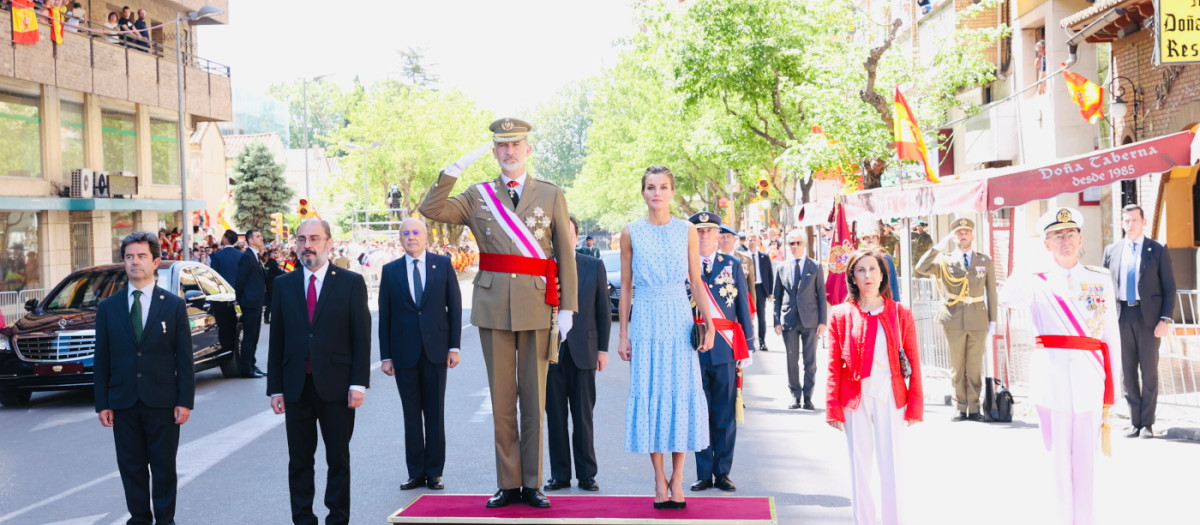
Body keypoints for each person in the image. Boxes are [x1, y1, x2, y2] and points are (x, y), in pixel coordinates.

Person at [420, 118, 578, 509]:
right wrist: (453, 170)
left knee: (533, 399)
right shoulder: (478, 196)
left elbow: (565, 254)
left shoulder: (550, 194)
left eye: (516, 144)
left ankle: (532, 483)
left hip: (538, 304)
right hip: (493, 308)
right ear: (494, 152)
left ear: (528, 149)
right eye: (501, 146)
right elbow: (431, 208)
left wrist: (568, 307)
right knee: (503, 400)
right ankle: (508, 484)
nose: (509, 152)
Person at [999, 207, 1121, 525]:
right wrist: (1027, 261)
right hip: (1050, 384)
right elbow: (1008, 298)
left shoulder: (1099, 279)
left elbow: (1111, 336)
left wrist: (1113, 390)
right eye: (1057, 236)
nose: (1065, 240)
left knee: (1086, 465)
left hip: (1089, 381)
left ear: (1080, 239)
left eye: (1070, 234)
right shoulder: (1036, 281)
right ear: (1047, 244)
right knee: (1054, 464)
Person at [617, 166, 714, 510]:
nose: (657, 193)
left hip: (677, 317)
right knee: (651, 393)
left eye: (663, 187)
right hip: (645, 317)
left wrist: (710, 322)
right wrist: (624, 334)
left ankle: (678, 478)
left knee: (680, 394)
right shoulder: (630, 233)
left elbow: (696, 281)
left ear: (672, 192)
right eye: (650, 187)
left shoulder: (687, 230)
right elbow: (626, 286)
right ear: (643, 192)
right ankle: (658, 480)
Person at [267, 219, 371, 525]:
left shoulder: (350, 282)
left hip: (337, 387)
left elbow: (361, 337)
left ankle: (337, 519)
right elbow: (278, 341)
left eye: (314, 238)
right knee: (299, 461)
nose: (307, 245)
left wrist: (358, 384)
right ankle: (303, 519)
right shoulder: (283, 285)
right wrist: (276, 388)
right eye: (301, 239)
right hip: (297, 387)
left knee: (337, 459)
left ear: (328, 242)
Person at [94, 231, 195, 525]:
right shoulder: (108, 308)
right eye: (129, 257)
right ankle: (139, 519)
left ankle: (165, 519)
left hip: (162, 401)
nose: (134, 262)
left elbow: (184, 359)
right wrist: (103, 403)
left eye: (141, 256)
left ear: (156, 261)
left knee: (164, 466)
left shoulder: (173, 306)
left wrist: (184, 401)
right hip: (123, 401)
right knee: (131, 466)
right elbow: (102, 360)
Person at [826, 247, 923, 525]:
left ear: (883, 275)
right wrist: (832, 405)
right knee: (860, 469)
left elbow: (914, 360)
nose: (867, 275)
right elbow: (833, 364)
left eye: (873, 269)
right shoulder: (841, 313)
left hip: (891, 397)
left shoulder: (900, 312)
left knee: (891, 466)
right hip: (854, 399)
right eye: (861, 270)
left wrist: (915, 404)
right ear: (852, 277)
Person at [379, 217, 462, 491]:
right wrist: (386, 355)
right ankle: (415, 472)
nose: (411, 237)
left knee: (435, 414)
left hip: (436, 351)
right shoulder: (390, 271)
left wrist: (454, 346)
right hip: (404, 354)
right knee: (411, 415)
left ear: (426, 236)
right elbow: (385, 317)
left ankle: (434, 472)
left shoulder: (443, 265)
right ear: (400, 239)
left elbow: (455, 307)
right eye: (406, 233)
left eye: (416, 232)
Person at [687, 211, 753, 494]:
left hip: (725, 347)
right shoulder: (683, 264)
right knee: (699, 412)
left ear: (718, 235)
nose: (704, 236)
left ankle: (723, 472)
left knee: (724, 412)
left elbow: (743, 309)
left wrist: (747, 345)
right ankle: (703, 473)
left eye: (709, 231)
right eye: (698, 231)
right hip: (693, 346)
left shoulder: (732, 264)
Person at [544, 216, 611, 493]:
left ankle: (586, 475)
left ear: (575, 237)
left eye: (568, 233)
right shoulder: (543, 268)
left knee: (583, 417)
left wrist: (603, 349)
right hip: (550, 353)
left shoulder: (593, 265)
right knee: (555, 417)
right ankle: (560, 475)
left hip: (584, 351)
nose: (564, 238)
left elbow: (603, 311)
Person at [1102, 204, 1175, 438]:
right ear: (1121, 223)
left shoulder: (1157, 249)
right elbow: (1103, 288)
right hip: (1121, 316)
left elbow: (1169, 287)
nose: (1130, 225)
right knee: (1127, 372)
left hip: (1149, 318)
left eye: (1134, 220)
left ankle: (1148, 423)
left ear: (1143, 222)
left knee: (1149, 371)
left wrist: (1165, 319)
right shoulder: (1111, 250)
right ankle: (1134, 422)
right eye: (1126, 221)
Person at [914, 217, 997, 421]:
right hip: (953, 317)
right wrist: (936, 248)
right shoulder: (944, 260)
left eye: (966, 233)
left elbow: (992, 292)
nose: (963, 236)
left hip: (978, 318)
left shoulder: (984, 261)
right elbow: (920, 268)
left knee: (974, 366)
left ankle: (975, 407)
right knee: (957, 365)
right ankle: (960, 406)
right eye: (959, 233)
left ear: (972, 235)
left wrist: (993, 320)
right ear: (954, 237)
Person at [773, 228, 827, 410]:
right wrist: (776, 320)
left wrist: (822, 321)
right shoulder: (781, 268)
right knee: (791, 360)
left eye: (798, 243)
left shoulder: (815, 266)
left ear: (804, 244)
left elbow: (821, 295)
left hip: (810, 320)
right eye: (791, 243)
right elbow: (777, 296)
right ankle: (795, 395)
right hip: (789, 320)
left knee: (810, 361)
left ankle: (808, 396)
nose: (794, 246)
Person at [235, 228, 268, 378]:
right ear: (250, 240)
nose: (261, 238)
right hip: (249, 303)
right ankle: (246, 368)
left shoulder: (256, 256)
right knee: (249, 336)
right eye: (258, 236)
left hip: (256, 302)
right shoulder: (247, 257)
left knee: (254, 336)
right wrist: (240, 300)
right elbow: (240, 280)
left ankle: (252, 365)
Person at [719, 225, 757, 351]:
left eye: (728, 237)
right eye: (722, 237)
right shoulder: (713, 259)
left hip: (741, 304)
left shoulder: (745, 259)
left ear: (735, 239)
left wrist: (752, 309)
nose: (725, 240)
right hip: (722, 307)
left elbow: (751, 286)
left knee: (742, 341)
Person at [747, 234, 774, 353]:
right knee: (748, 316)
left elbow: (769, 274)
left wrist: (770, 292)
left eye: (754, 240)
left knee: (761, 316)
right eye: (750, 240)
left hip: (760, 288)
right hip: (748, 289)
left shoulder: (764, 256)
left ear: (758, 242)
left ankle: (762, 341)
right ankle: (750, 342)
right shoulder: (743, 257)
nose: (752, 242)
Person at [858, 225, 900, 299]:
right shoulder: (857, 259)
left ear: (878, 240)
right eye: (867, 237)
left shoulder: (886, 258)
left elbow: (893, 284)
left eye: (874, 237)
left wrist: (895, 304)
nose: (871, 239)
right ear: (862, 240)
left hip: (883, 300)